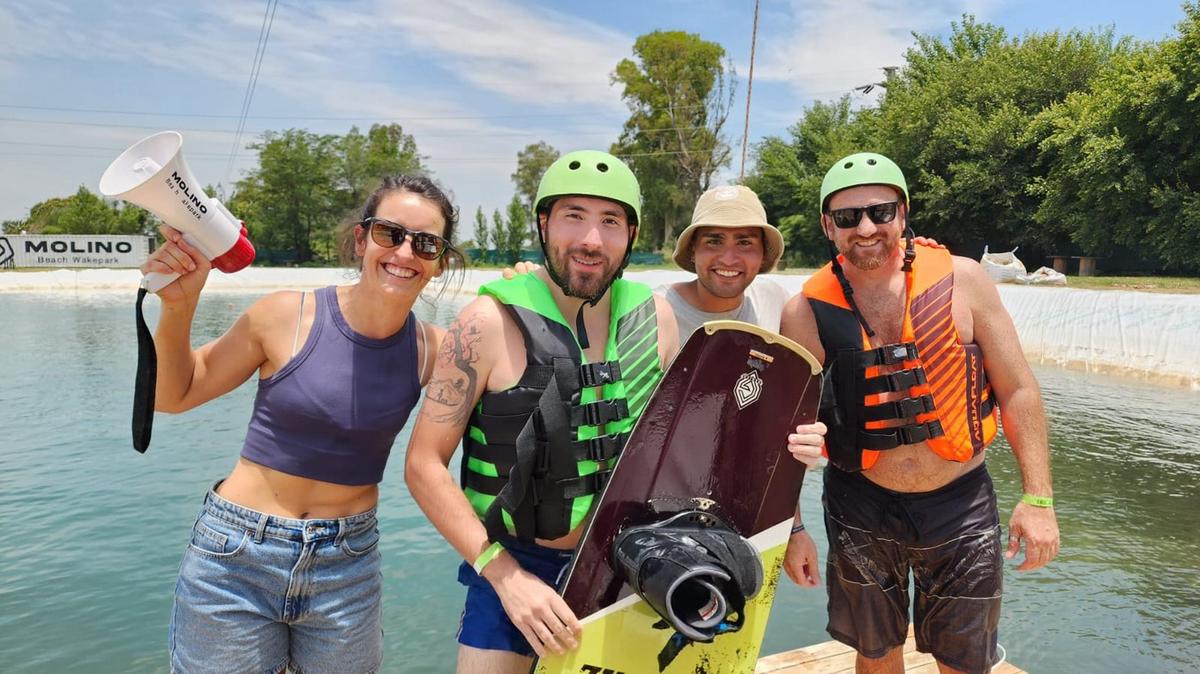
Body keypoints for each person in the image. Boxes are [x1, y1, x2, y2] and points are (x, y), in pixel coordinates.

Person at [142, 175, 465, 674]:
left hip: (347, 565)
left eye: (426, 243)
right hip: (236, 557)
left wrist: (527, 288)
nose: (405, 253)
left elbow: (510, 364)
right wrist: (179, 307)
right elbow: (174, 394)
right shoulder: (284, 315)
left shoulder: (434, 351)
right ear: (361, 240)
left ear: (440, 261)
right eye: (390, 234)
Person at [780, 152, 1060, 674]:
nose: (865, 228)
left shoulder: (966, 281)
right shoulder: (804, 311)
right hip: (858, 503)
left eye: (880, 212)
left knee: (965, 659)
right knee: (875, 651)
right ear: (827, 226)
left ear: (903, 214)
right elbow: (785, 433)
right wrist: (794, 528)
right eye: (847, 217)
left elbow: (1019, 389)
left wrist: (1038, 498)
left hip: (960, 501)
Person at [405, 150, 678, 674]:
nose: (591, 240)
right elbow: (422, 465)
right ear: (543, 222)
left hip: (624, 566)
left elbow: (687, 446)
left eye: (610, 221)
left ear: (632, 235)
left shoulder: (657, 319)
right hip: (514, 565)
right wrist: (505, 577)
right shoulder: (486, 322)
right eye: (573, 215)